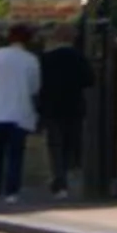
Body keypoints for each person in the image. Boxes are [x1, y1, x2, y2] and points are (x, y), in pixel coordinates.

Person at [0, 23, 41, 205]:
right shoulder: (31, 60)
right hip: (20, 114)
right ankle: (12, 192)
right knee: (15, 155)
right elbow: (35, 88)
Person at [36, 27, 93, 198]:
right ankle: (69, 174)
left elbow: (39, 84)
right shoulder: (79, 58)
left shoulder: (46, 59)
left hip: (52, 108)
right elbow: (89, 80)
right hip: (74, 107)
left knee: (55, 145)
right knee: (71, 143)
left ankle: (59, 181)